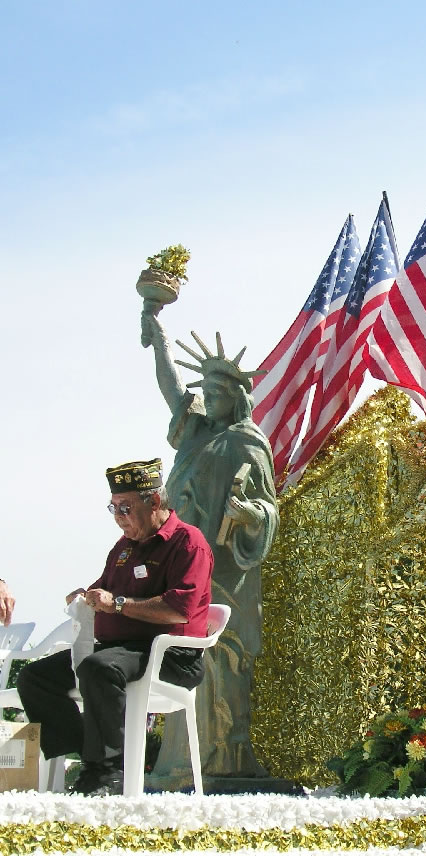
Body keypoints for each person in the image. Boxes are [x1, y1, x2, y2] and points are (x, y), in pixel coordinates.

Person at [17, 458, 213, 796]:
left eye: (125, 507)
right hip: (120, 651)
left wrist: (118, 605)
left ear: (154, 502)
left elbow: (179, 609)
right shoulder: (124, 548)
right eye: (113, 507)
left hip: (170, 653)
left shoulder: (188, 543)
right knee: (34, 678)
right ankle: (87, 753)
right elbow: (104, 590)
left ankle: (107, 772)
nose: (118, 517)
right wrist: (86, 596)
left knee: (97, 667)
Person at [143, 308, 278, 782]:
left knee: (225, 659)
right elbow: (171, 388)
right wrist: (157, 333)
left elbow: (267, 508)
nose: (211, 399)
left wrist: (249, 515)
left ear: (238, 398)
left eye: (221, 393)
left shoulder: (248, 442)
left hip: (226, 572)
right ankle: (180, 763)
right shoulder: (196, 431)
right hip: (184, 565)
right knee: (183, 652)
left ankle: (226, 759)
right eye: (209, 392)